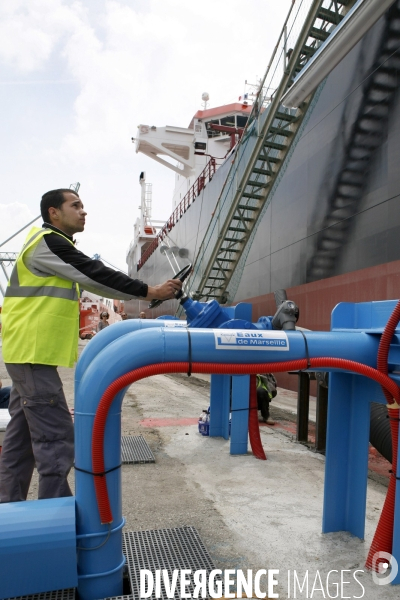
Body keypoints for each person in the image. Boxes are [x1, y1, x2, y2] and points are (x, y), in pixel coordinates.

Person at [0, 188, 182, 503]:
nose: (83, 211)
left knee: (22, 439)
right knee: (55, 439)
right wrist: (150, 290)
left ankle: (9, 513)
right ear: (53, 213)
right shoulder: (49, 243)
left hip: (26, 353)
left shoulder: (48, 245)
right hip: (32, 355)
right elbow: (92, 273)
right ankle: (56, 522)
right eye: (76, 205)